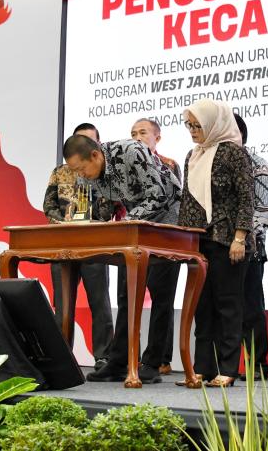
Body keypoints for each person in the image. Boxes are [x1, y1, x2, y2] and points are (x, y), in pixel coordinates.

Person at [62, 134, 181, 383]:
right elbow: (105, 209)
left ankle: (152, 362)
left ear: (95, 155)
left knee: (161, 295)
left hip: (168, 223)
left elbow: (158, 195)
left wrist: (125, 223)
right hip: (135, 229)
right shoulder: (91, 174)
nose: (82, 174)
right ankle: (118, 361)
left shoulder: (131, 151)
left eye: (82, 168)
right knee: (127, 294)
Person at [176, 99, 253, 388]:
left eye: (198, 125)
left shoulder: (234, 153)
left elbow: (247, 199)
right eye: (190, 125)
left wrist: (240, 238)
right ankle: (202, 368)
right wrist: (183, 240)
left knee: (228, 306)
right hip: (199, 240)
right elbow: (187, 201)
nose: (193, 131)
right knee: (202, 307)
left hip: (228, 239)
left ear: (213, 124)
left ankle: (229, 368)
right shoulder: (192, 155)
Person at [43, 123, 114, 371]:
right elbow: (49, 205)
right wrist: (62, 222)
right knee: (62, 303)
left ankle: (104, 357)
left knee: (99, 302)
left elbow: (109, 209)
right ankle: (62, 356)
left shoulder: (103, 173)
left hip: (94, 244)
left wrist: (93, 224)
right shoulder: (60, 172)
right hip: (63, 243)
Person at [130, 117, 181, 376]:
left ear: (157, 138)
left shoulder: (169, 165)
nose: (137, 137)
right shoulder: (125, 168)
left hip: (164, 241)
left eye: (142, 132)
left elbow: (170, 203)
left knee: (163, 299)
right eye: (133, 133)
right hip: (132, 242)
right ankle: (128, 358)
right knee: (128, 300)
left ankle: (158, 358)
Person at [234, 113, 268, 381]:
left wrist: (242, 240)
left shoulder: (259, 166)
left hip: (250, 248)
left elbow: (264, 211)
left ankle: (258, 364)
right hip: (216, 249)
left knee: (250, 308)